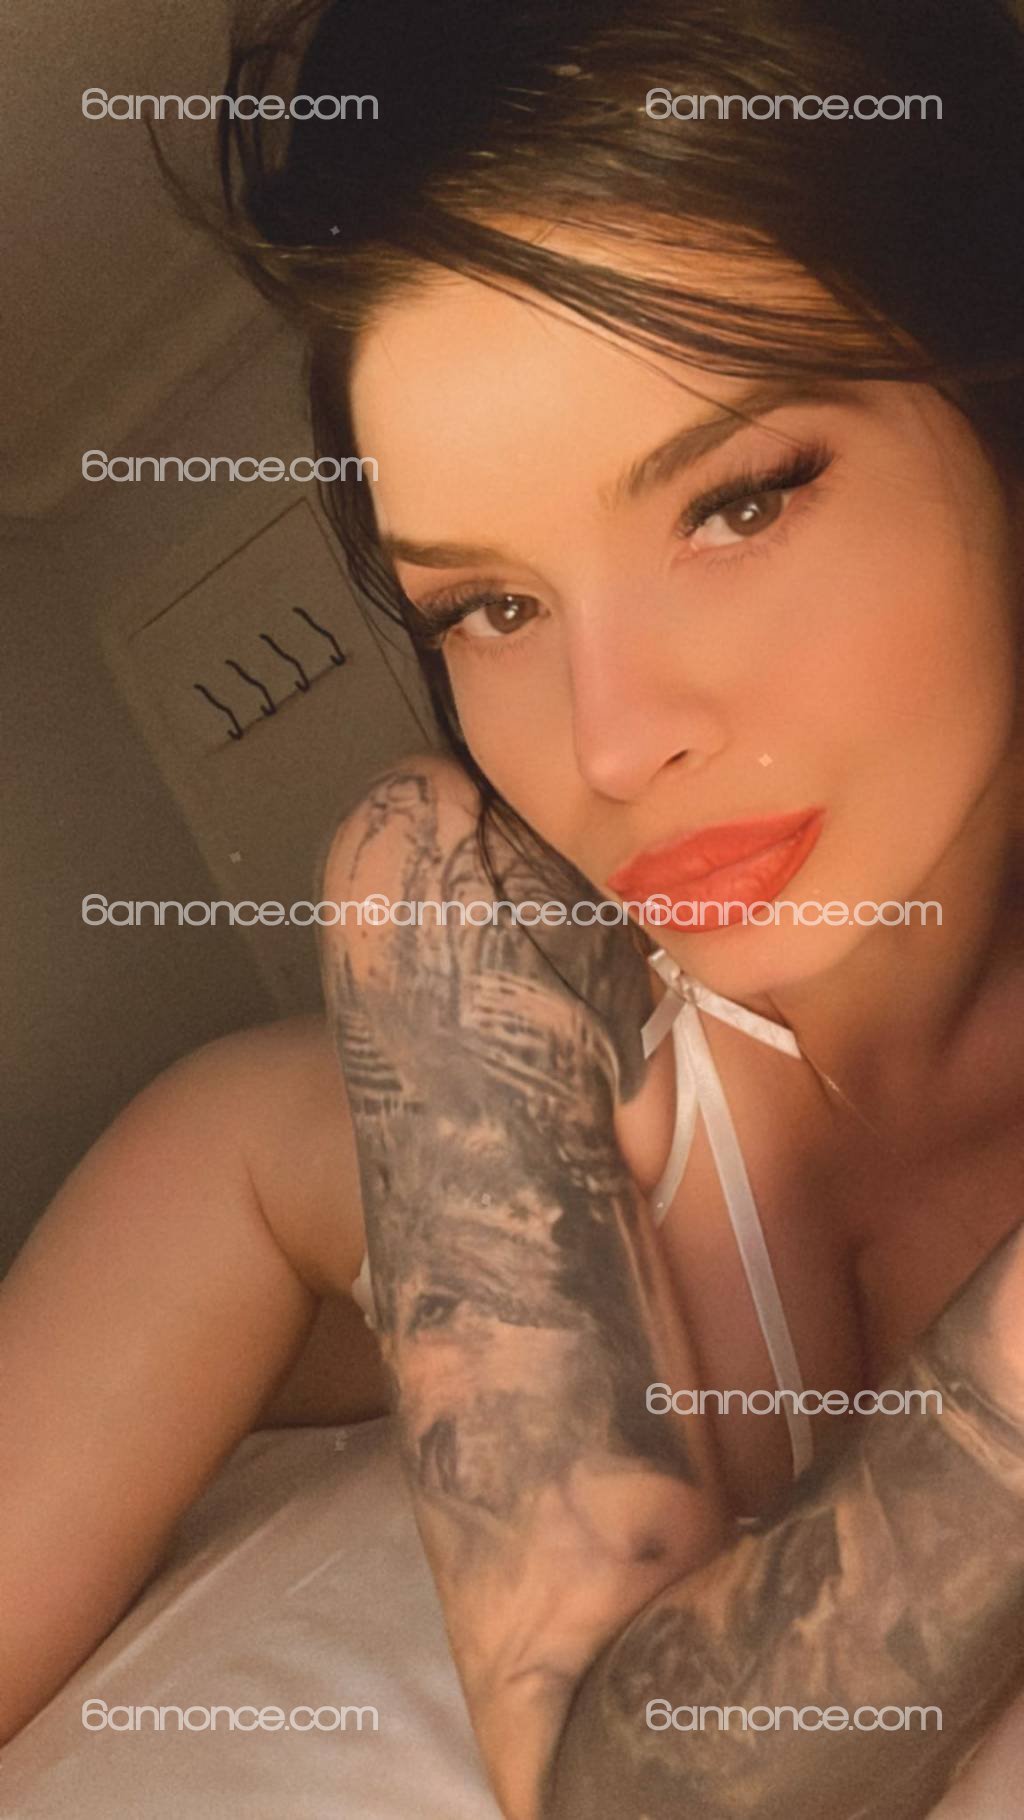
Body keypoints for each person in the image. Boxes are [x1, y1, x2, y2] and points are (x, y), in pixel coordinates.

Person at [4, 1, 1024, 1816]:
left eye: (738, 501)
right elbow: (628, 1791)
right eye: (488, 607)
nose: (612, 743)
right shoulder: (446, 888)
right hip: (266, 1178)